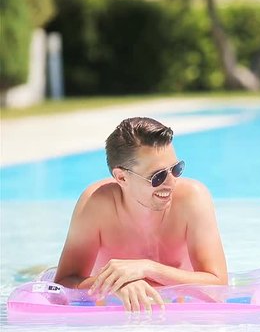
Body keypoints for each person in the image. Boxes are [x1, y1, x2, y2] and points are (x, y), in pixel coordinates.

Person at [54, 117, 227, 312]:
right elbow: (62, 284)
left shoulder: (193, 199)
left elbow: (218, 287)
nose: (171, 183)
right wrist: (116, 285)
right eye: (158, 176)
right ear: (121, 177)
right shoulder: (96, 205)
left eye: (176, 169)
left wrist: (147, 268)